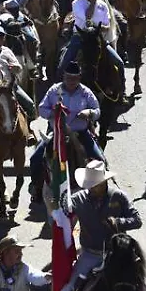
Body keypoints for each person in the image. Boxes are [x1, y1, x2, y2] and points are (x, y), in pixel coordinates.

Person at [53, 161, 141, 291]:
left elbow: (137, 220)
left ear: (104, 182)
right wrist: (57, 201)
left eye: (96, 184)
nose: (92, 188)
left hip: (117, 255)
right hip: (90, 254)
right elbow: (63, 209)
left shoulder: (119, 196)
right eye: (90, 185)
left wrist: (119, 222)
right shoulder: (79, 199)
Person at [30, 62, 103, 201]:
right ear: (64, 76)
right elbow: (41, 109)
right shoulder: (53, 90)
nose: (71, 81)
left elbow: (97, 110)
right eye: (68, 78)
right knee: (36, 158)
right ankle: (37, 188)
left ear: (79, 78)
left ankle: (100, 193)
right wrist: (53, 112)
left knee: (99, 159)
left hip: (80, 133)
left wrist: (89, 113)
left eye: (74, 78)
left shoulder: (85, 92)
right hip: (57, 133)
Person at [59, 0, 126, 89]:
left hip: (98, 38)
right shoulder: (77, 3)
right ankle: (60, 90)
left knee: (119, 63)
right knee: (63, 65)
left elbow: (107, 25)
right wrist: (93, 2)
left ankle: (121, 92)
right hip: (80, 37)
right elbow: (88, 18)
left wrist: (99, 29)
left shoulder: (103, 6)